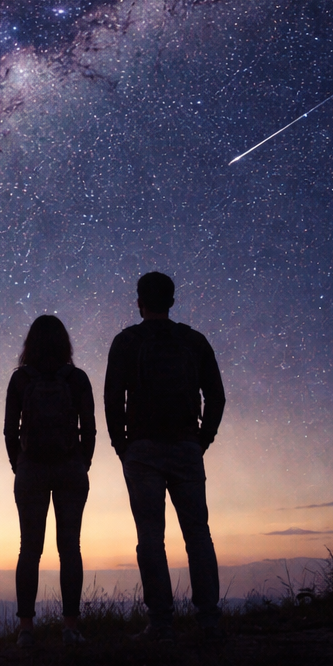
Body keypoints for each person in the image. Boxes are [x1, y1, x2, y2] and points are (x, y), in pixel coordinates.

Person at [104, 272, 225, 640]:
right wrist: (202, 440)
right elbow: (216, 397)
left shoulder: (126, 341)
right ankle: (208, 620)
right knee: (198, 535)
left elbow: (112, 398)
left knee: (151, 538)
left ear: (139, 301)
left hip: (142, 450)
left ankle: (160, 623)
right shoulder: (193, 340)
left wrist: (121, 445)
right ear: (172, 301)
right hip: (186, 446)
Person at [4, 315, 95, 648]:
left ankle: (26, 630)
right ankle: (70, 627)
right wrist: (82, 462)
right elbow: (90, 428)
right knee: (70, 548)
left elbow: (9, 431)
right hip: (71, 467)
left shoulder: (20, 380)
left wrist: (20, 464)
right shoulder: (77, 378)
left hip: (31, 469)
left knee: (29, 549)